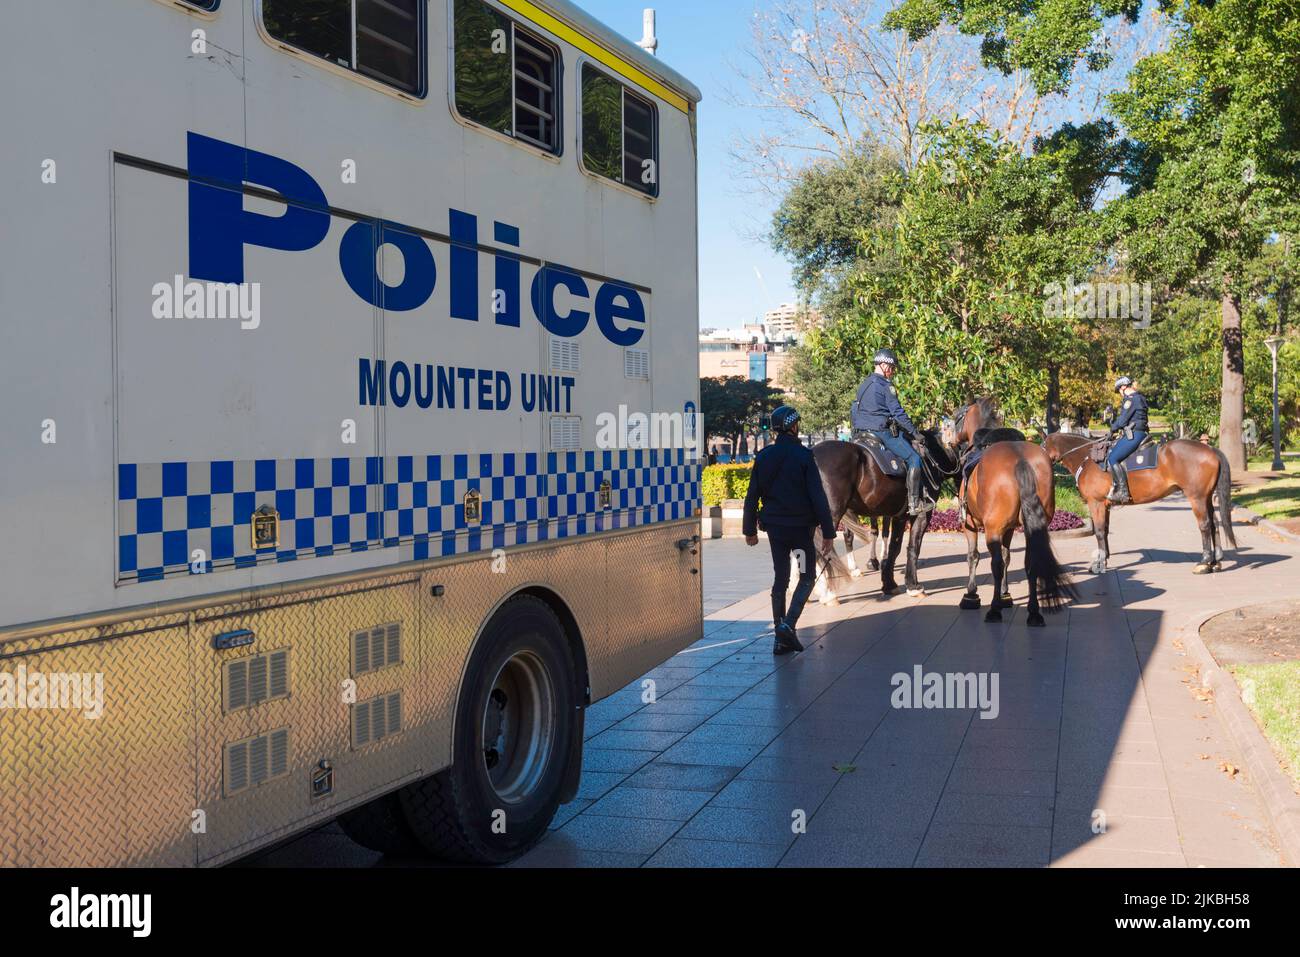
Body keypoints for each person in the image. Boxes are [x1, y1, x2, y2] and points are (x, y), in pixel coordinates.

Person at [743, 405, 837, 656]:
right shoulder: (804, 457)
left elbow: (752, 497)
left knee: (781, 579)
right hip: (800, 531)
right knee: (806, 576)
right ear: (793, 426)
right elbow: (817, 497)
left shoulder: (763, 457)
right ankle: (787, 625)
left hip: (775, 530)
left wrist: (749, 530)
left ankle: (779, 638)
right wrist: (828, 532)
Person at [850, 348, 931, 515]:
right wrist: (915, 432)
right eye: (892, 368)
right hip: (881, 432)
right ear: (884, 365)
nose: (893, 372)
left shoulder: (864, 384)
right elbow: (898, 413)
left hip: (860, 434)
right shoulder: (886, 386)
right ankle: (914, 503)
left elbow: (854, 409)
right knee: (914, 458)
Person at [1106, 376, 1149, 504]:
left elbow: (1122, 421)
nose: (1119, 393)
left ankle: (1123, 492)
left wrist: (1112, 429)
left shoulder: (1130, 400)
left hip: (1135, 434)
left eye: (1119, 390)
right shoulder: (1140, 397)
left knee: (1112, 458)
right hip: (1140, 432)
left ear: (1123, 387)